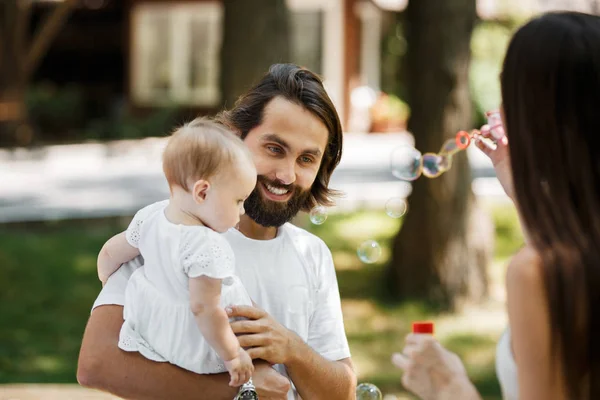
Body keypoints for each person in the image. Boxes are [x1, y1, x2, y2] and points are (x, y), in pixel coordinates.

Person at [77, 64, 356, 400]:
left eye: (307, 159)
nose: (286, 174)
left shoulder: (312, 254)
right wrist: (240, 394)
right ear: (234, 137)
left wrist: (292, 348)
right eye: (274, 149)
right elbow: (96, 363)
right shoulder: (173, 228)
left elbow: (342, 394)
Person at [392, 11, 600, 400]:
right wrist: (523, 192)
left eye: (510, 92)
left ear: (537, 115)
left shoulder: (538, 272)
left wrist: (454, 391)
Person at [96, 119, 256, 387]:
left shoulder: (150, 216)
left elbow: (111, 251)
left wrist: (105, 281)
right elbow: (204, 307)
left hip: (152, 330)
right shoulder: (206, 245)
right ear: (202, 192)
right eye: (238, 200)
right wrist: (232, 355)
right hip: (194, 343)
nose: (241, 211)